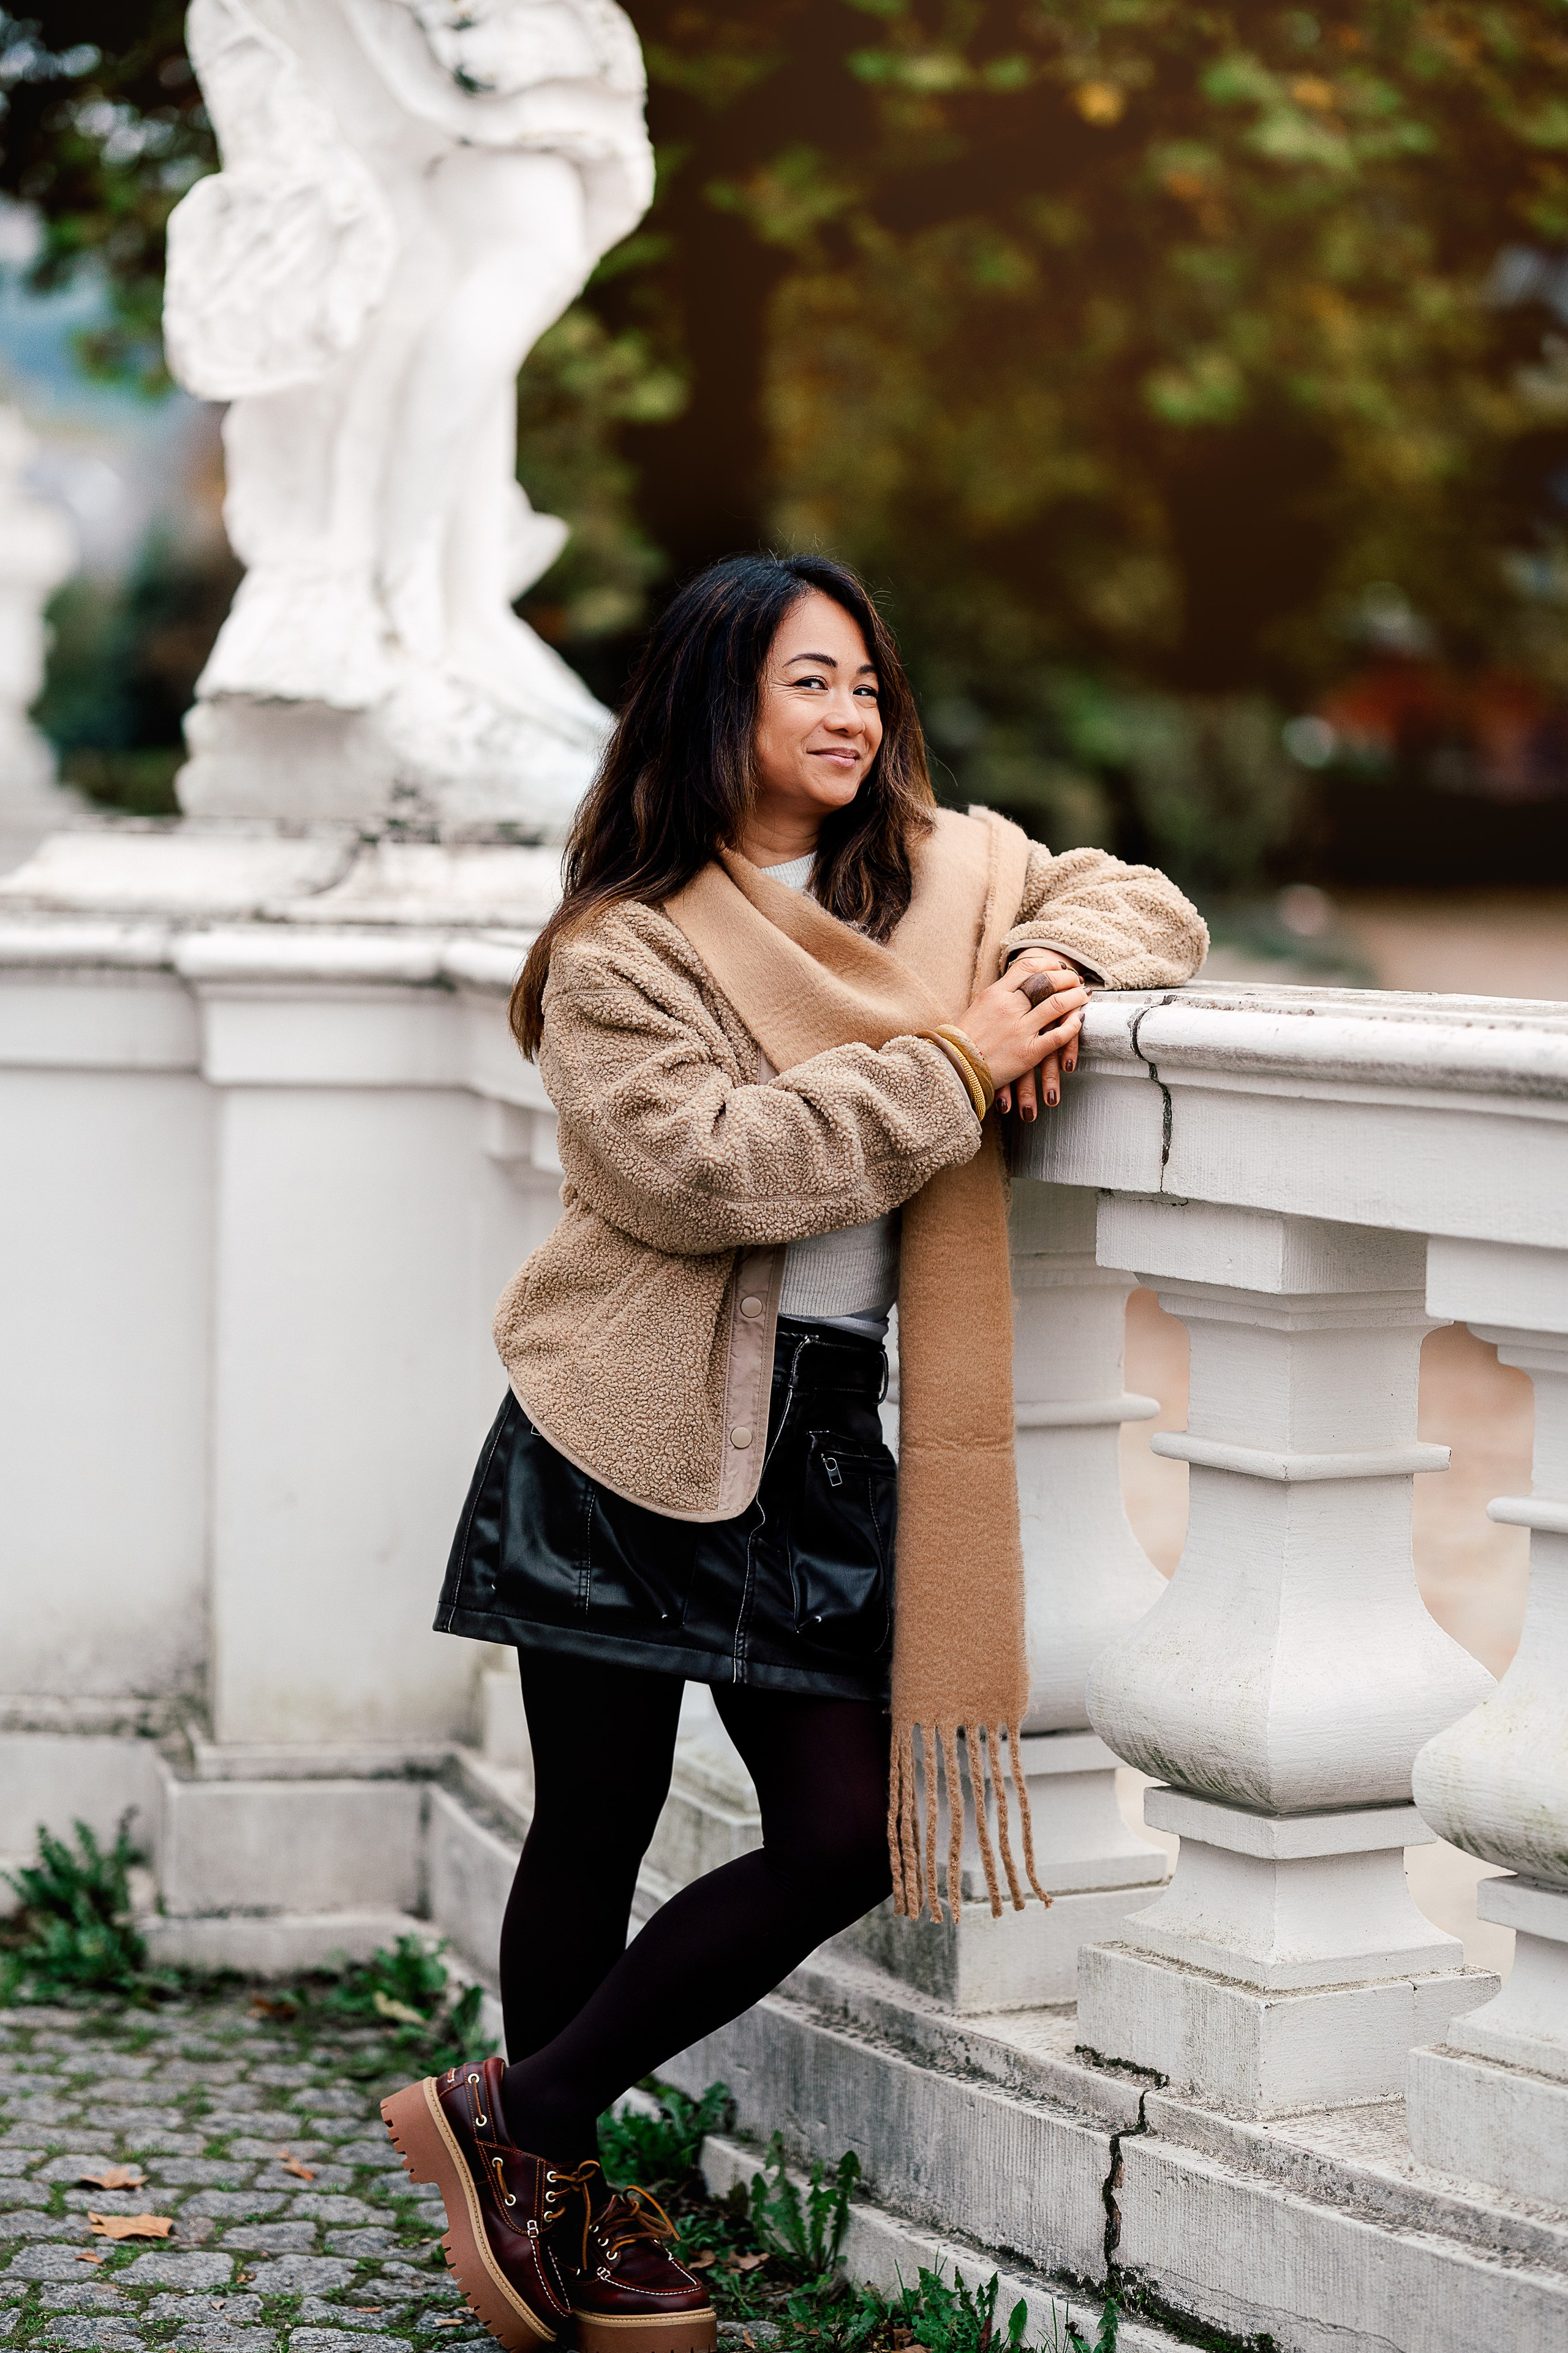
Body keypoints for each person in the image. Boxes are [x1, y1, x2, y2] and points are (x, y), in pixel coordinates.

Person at [382, 554, 1207, 2353]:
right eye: (808, 685)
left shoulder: (946, 882)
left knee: (844, 1831)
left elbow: (1144, 901)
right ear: (713, 704)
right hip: (623, 1416)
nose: (852, 716)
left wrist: (1049, 962)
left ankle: (510, 2116)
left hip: (821, 1437)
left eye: (864, 683)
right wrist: (956, 1059)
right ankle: (564, 2196)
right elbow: (703, 1168)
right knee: (589, 1828)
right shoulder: (626, 949)